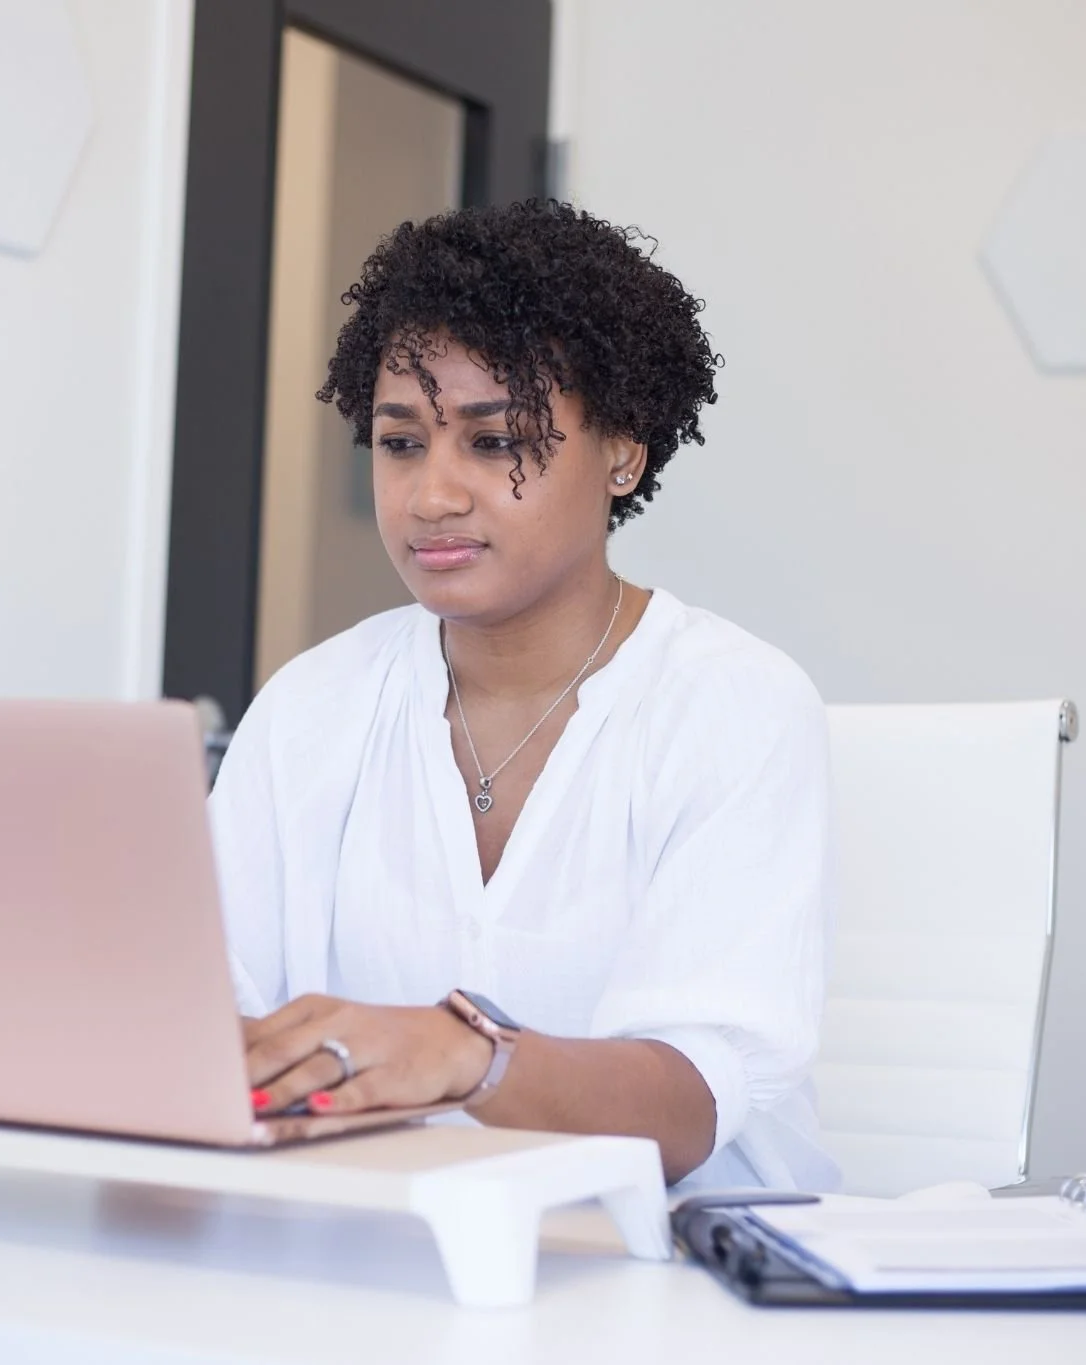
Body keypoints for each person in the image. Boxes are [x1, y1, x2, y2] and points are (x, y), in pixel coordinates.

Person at [209, 199, 835, 1190]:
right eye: (401, 442)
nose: (431, 496)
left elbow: (687, 1107)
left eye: (495, 441)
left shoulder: (733, 706)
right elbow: (209, 1032)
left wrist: (467, 1058)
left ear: (622, 452)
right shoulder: (310, 708)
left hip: (673, 1279)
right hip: (375, 1256)